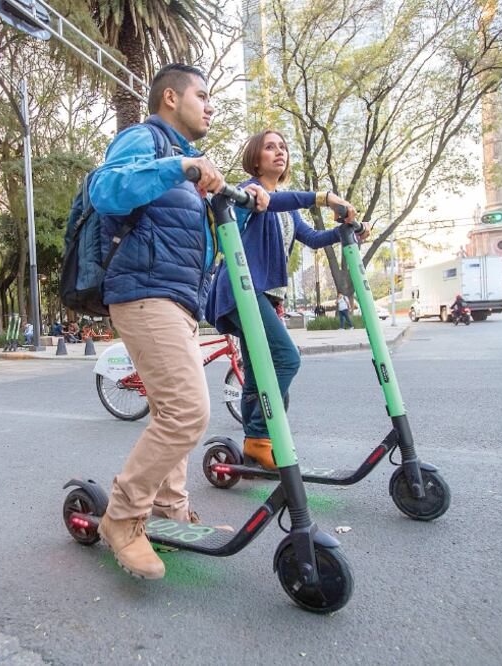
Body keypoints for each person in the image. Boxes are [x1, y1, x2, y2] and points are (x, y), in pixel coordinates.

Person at [87, 63, 268, 580]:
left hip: (179, 301)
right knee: (188, 411)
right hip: (144, 294)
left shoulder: (186, 168)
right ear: (171, 97)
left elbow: (200, 244)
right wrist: (181, 169)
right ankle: (122, 518)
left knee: (177, 411)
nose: (210, 106)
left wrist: (244, 207)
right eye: (203, 96)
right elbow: (106, 190)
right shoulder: (142, 138)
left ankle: (171, 509)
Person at [205, 129, 364, 469]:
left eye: (283, 148)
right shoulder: (250, 193)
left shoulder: (287, 207)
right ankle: (263, 436)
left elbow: (312, 238)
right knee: (287, 359)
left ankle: (253, 447)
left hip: (261, 295)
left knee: (259, 370)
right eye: (270, 147)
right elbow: (272, 201)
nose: (279, 152)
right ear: (255, 157)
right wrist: (324, 197)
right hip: (239, 291)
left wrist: (347, 232)